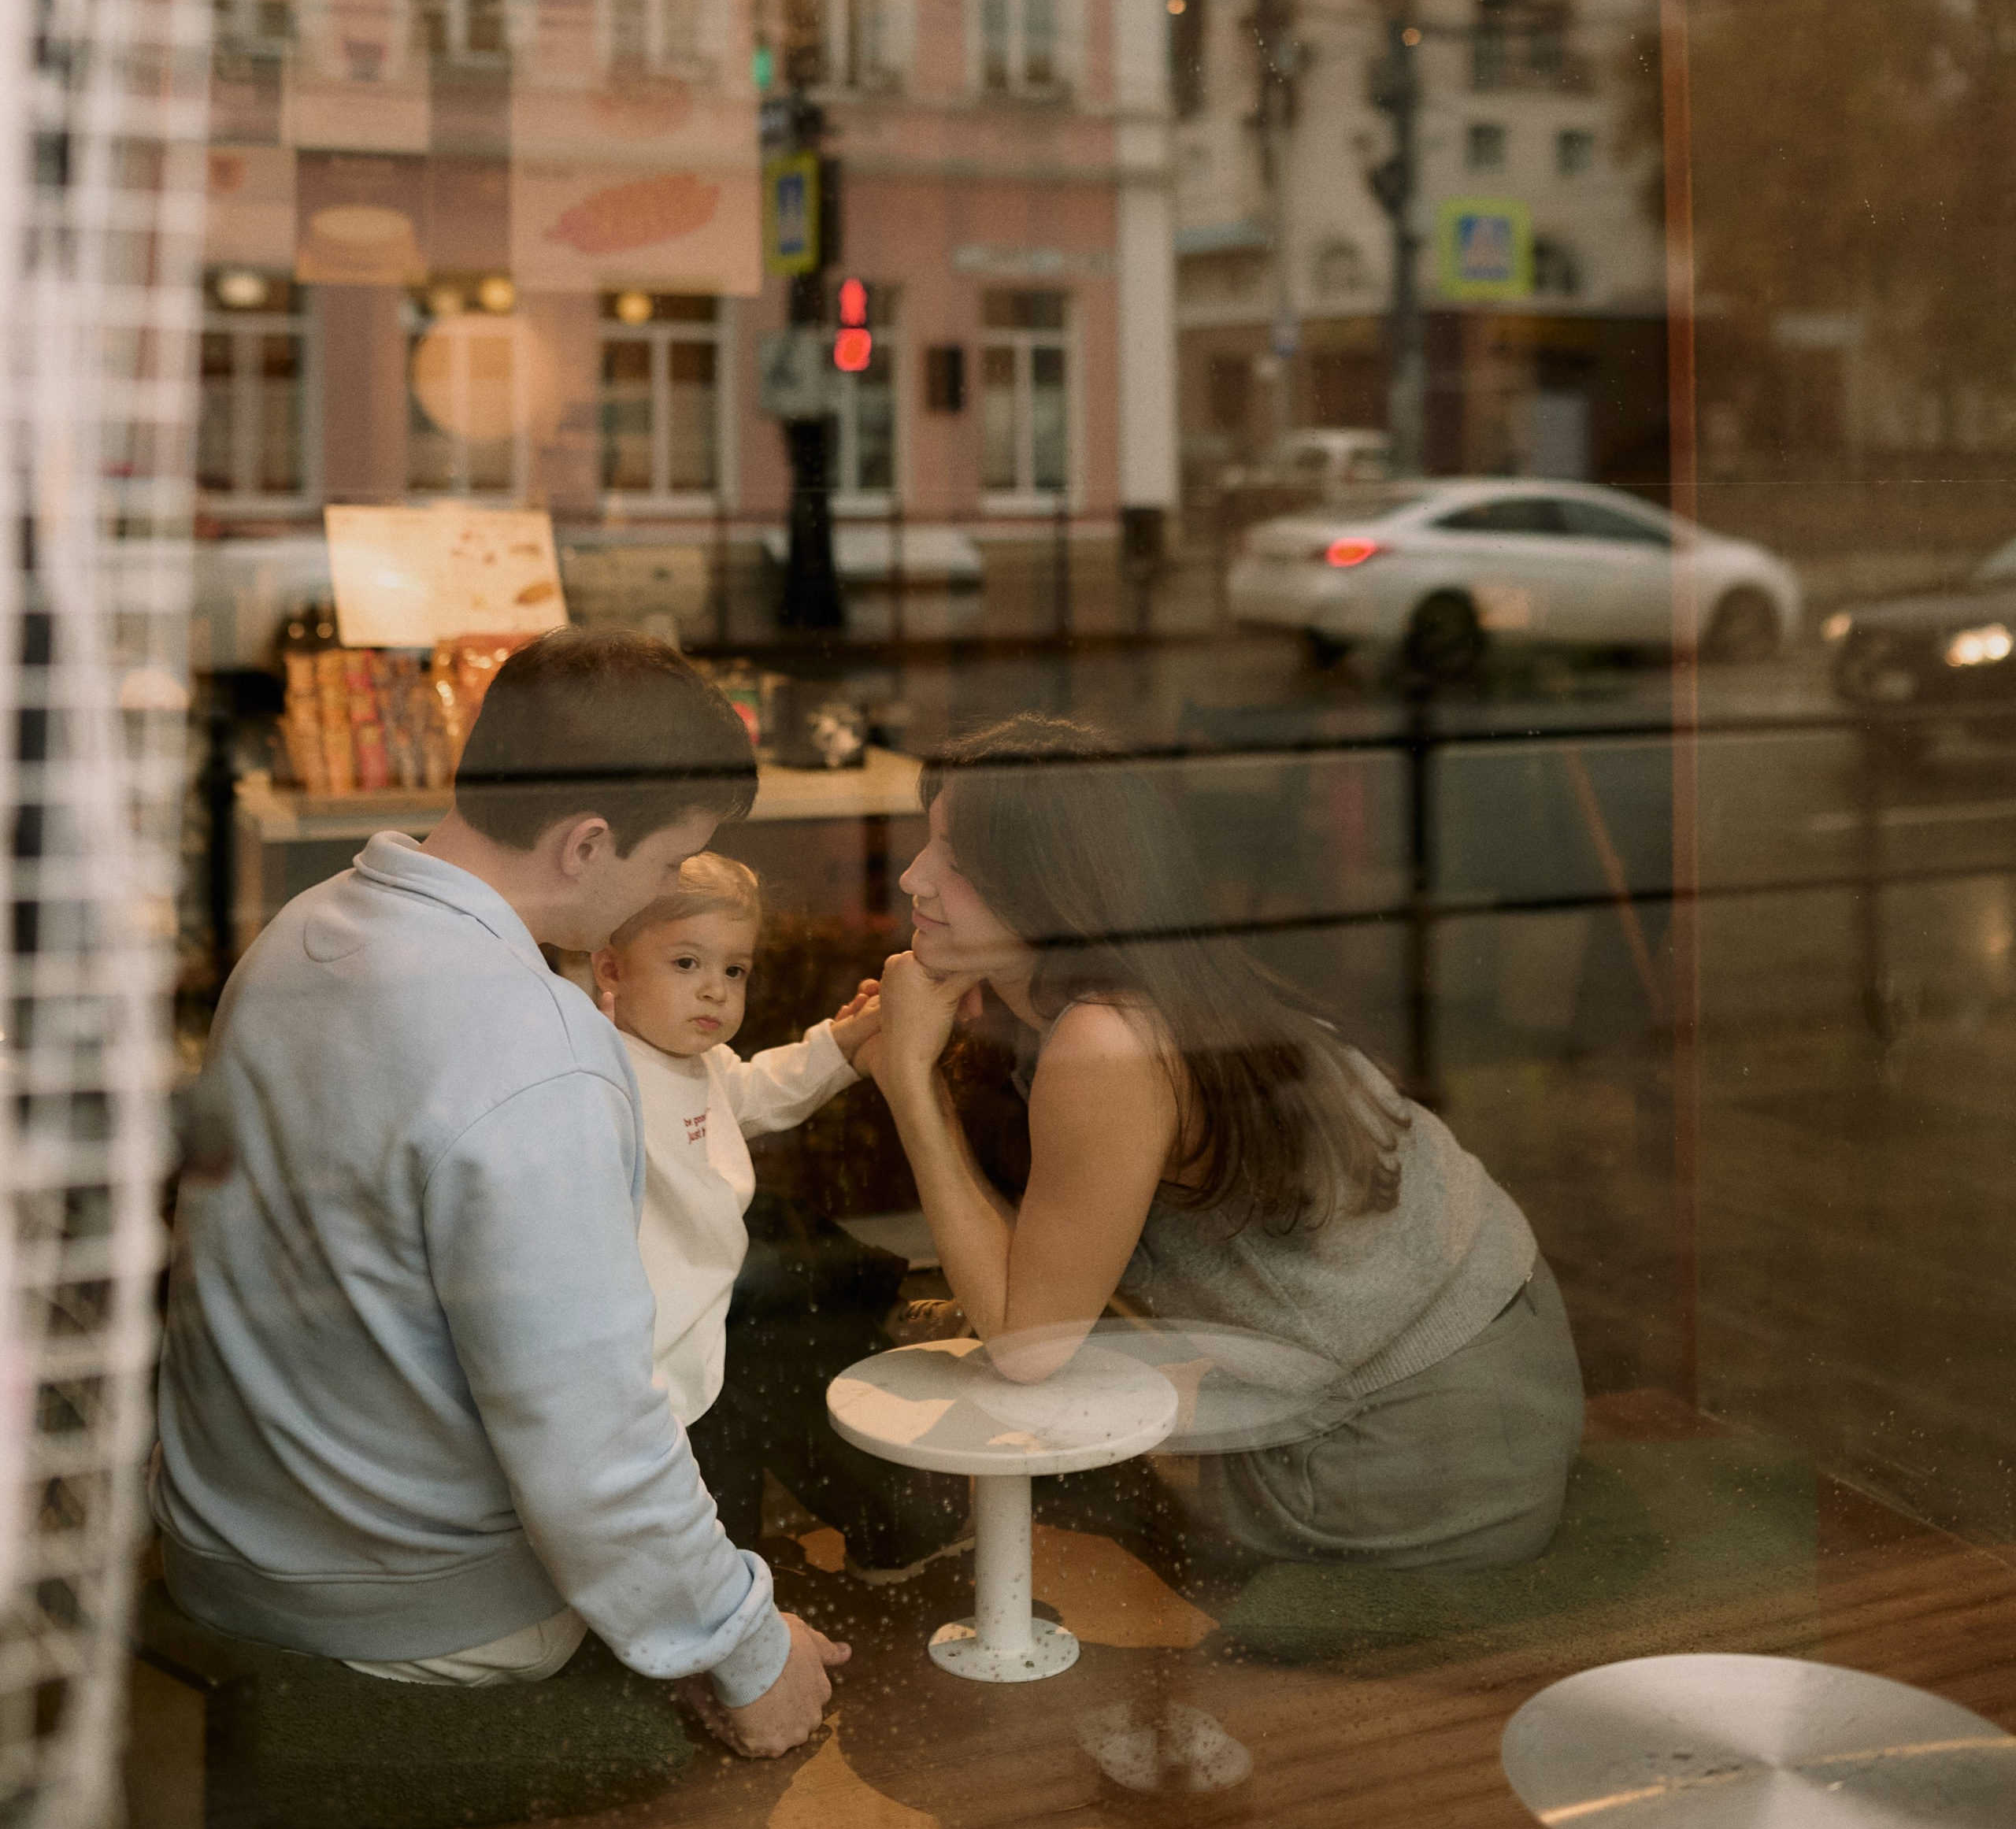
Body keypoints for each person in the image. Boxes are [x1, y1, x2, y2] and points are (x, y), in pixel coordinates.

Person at [153, 628, 847, 1758]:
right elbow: (591, 1440)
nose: (667, 891)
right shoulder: (535, 1047)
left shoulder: (302, 931)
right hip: (419, 1615)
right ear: (586, 844)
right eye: (668, 864)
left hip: (224, 1550)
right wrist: (748, 1641)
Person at [861, 716, 1584, 1575]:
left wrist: (912, 1081)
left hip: (1412, 1449)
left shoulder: (1106, 1038)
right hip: (1507, 1373)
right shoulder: (1166, 979)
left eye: (960, 862)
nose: (915, 877)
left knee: (1048, 1466)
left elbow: (1028, 1348)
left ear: (1051, 890)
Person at [586, 857, 969, 1575]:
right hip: (656, 1359)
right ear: (611, 970)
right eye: (686, 962)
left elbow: (758, 1091)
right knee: (700, 1498)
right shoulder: (605, 1073)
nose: (714, 989)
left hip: (715, 1329)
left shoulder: (690, 1057)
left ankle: (747, 1583)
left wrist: (845, 1044)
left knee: (730, 1486)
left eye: (735, 971)